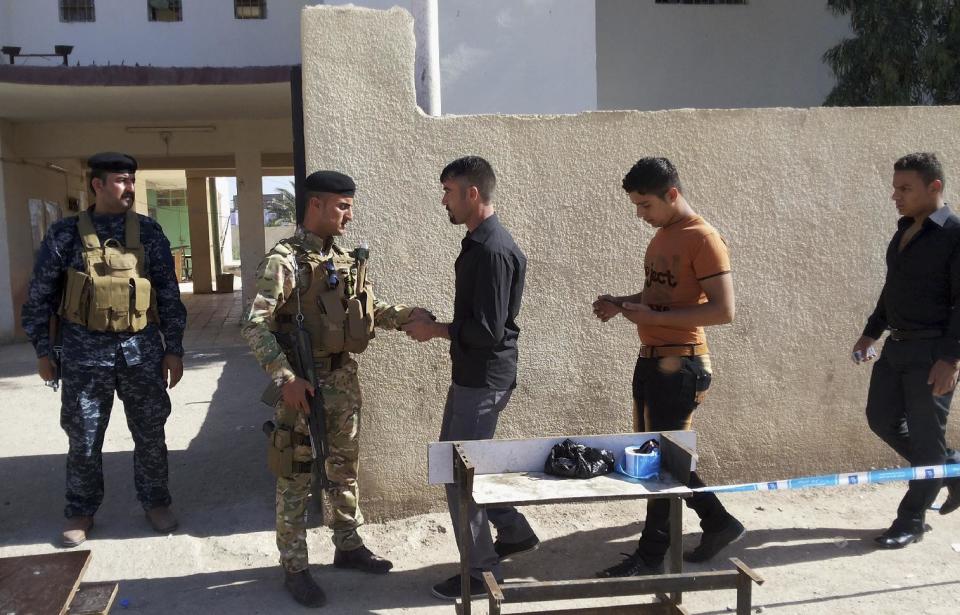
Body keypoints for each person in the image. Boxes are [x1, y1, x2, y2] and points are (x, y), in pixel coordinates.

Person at [241, 170, 431, 608]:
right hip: (302, 389)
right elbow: (254, 325)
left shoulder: (343, 259)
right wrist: (286, 379)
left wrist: (407, 317)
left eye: (350, 206)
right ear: (317, 205)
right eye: (342, 206)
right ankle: (295, 566)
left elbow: (369, 306)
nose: (349, 214)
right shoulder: (284, 260)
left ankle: (347, 545)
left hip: (343, 382)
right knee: (296, 475)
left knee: (343, 468)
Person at [21, 152, 186, 548]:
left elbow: (167, 293)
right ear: (96, 184)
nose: (129, 188)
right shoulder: (64, 235)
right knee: (84, 438)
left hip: (141, 352)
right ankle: (81, 510)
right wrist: (44, 352)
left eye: (132, 180)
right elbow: (40, 297)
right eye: (120, 180)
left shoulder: (149, 233)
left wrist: (174, 349)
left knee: (150, 433)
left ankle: (155, 502)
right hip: (82, 355)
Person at [592, 157, 744, 577]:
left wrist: (648, 317)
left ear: (671, 195)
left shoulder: (704, 238)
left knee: (660, 462)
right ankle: (717, 522)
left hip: (682, 366)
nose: (640, 215)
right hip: (651, 362)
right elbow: (658, 297)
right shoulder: (662, 236)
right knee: (658, 460)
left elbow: (723, 310)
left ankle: (651, 555)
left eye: (645, 205)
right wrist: (621, 305)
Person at [402, 156, 540, 601]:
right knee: (460, 464)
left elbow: (487, 330)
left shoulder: (493, 249)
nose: (444, 199)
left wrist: (435, 330)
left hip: (483, 379)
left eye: (448, 190)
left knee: (459, 475)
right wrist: (439, 323)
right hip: (472, 377)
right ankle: (514, 531)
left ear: (472, 193)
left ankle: (480, 573)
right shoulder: (478, 243)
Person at [851, 152, 960, 549]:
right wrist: (870, 333)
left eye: (905, 188)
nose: (895, 196)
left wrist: (951, 359)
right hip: (896, 347)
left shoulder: (954, 234)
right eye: (895, 187)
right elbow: (891, 290)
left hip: (933, 353)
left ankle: (911, 520)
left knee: (928, 440)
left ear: (935, 187)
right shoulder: (903, 232)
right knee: (880, 419)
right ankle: (949, 470)